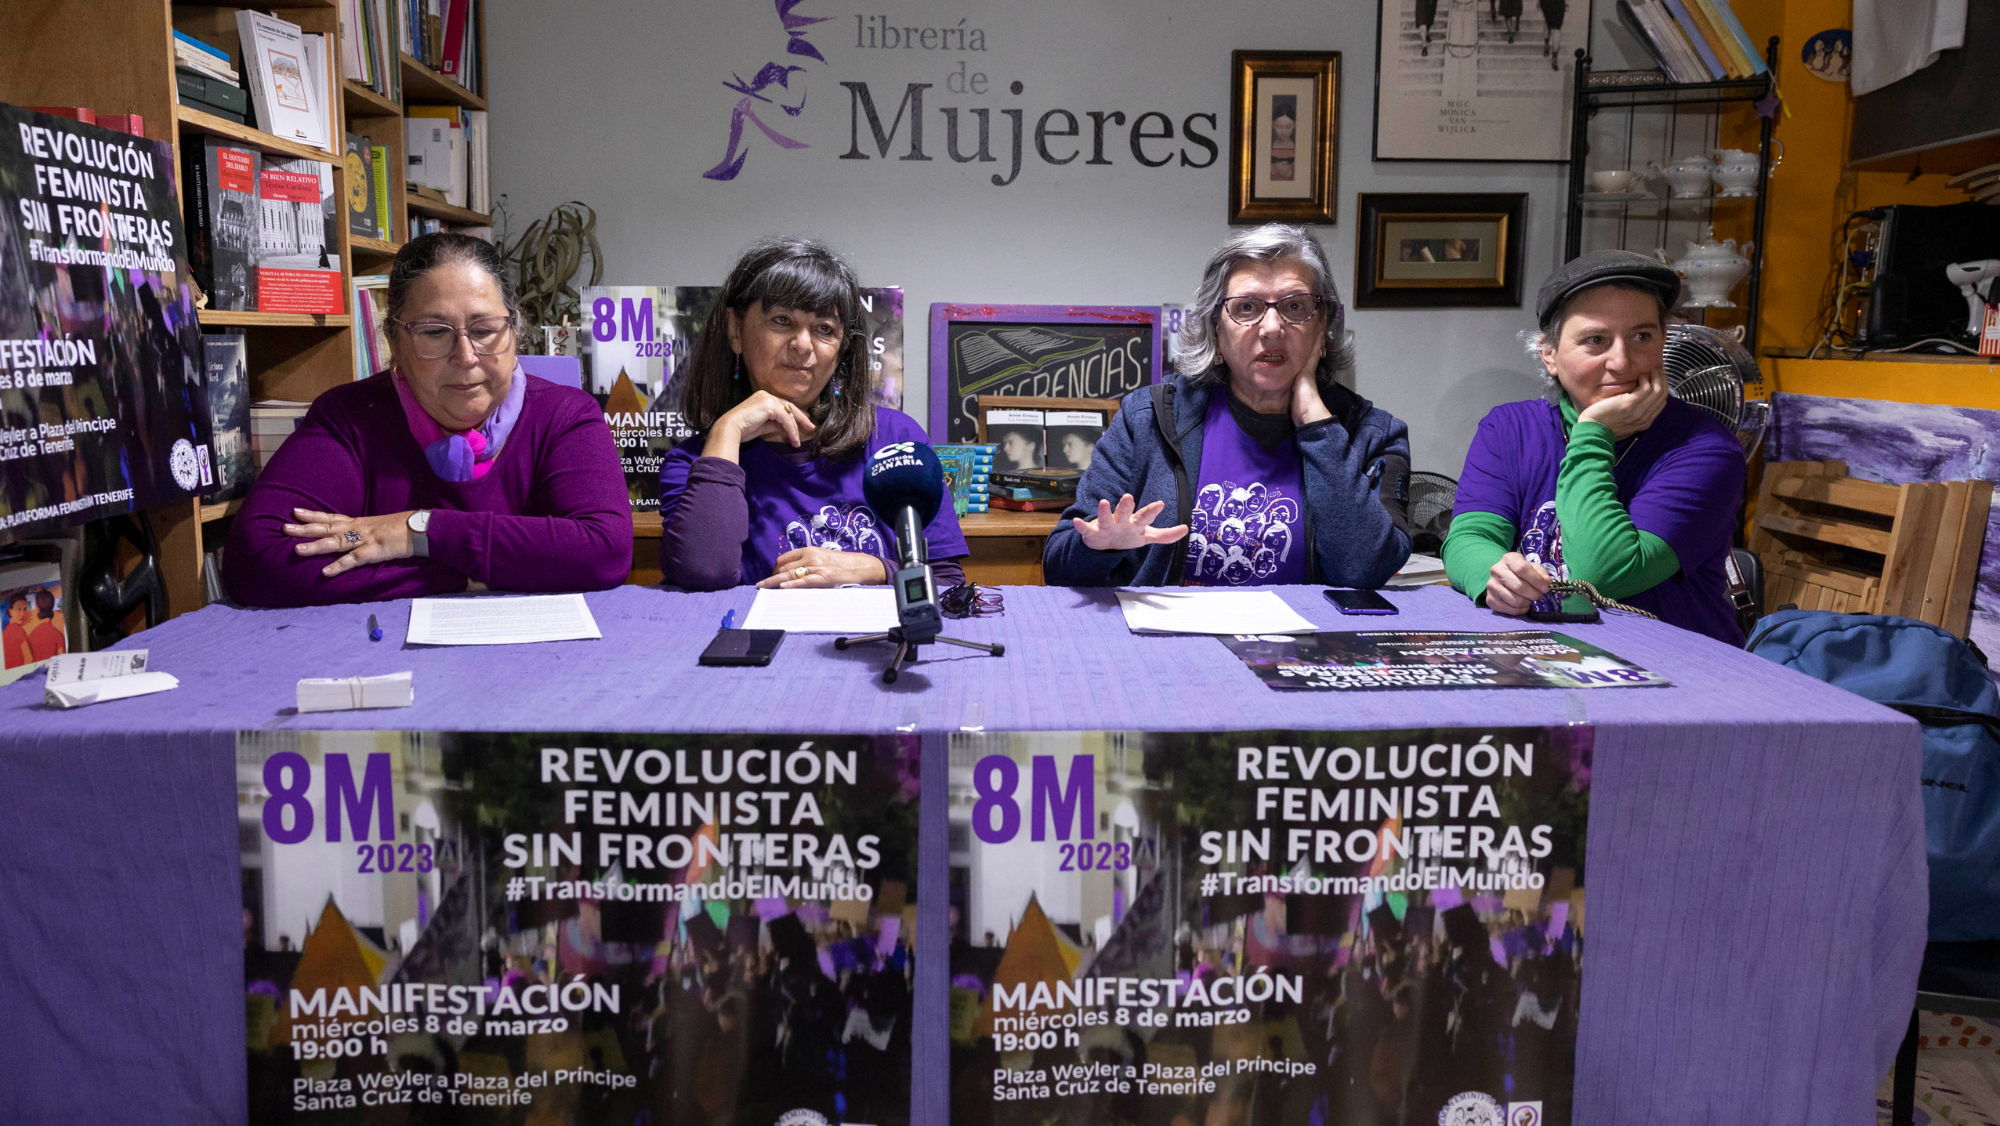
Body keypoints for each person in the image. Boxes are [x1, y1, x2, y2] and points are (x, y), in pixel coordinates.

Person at [224, 233, 631, 608]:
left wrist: (417, 530)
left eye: (485, 329)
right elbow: (259, 563)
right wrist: (471, 574)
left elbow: (603, 550)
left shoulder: (565, 414)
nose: (466, 356)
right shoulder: (349, 418)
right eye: (435, 333)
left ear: (514, 328)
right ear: (394, 341)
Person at [1043, 224, 1412, 588]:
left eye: (1295, 306)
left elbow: (1365, 570)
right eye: (1247, 307)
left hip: (1306, 644)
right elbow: (1058, 565)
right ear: (1215, 330)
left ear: (1323, 325)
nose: (1271, 328)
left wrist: (1317, 426)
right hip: (1171, 642)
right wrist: (1098, 548)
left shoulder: (1374, 434)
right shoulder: (1149, 418)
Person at [1442, 249, 1747, 644]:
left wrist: (1594, 432)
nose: (1621, 362)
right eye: (1595, 340)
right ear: (1550, 355)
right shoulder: (1509, 428)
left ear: (1663, 342)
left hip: (1674, 666)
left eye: (1642, 336)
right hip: (1547, 653)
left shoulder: (1706, 450)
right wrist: (1494, 577)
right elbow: (1468, 539)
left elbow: (1602, 573)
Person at [657, 238, 968, 591]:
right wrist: (728, 429)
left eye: (824, 329)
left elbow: (947, 584)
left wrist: (873, 568)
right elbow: (703, 574)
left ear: (842, 349)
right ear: (735, 331)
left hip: (873, 644)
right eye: (782, 320)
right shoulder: (696, 462)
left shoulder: (897, 441)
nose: (803, 344)